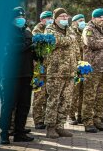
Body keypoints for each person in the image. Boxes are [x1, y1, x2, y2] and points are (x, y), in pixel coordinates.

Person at [0, 7, 35, 144]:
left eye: (22, 16)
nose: (20, 19)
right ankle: (5, 133)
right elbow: (12, 49)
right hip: (11, 75)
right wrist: (30, 44)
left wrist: (40, 50)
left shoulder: (27, 32)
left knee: (24, 105)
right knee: (8, 105)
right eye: (17, 17)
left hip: (26, 73)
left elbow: (32, 52)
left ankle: (19, 132)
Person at [44, 8, 76, 139]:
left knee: (66, 100)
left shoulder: (69, 29)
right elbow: (56, 41)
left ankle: (60, 126)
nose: (64, 18)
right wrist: (70, 38)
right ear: (55, 18)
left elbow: (73, 45)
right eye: (61, 16)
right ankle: (50, 127)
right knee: (53, 100)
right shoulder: (49, 29)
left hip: (70, 71)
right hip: (56, 71)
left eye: (66, 16)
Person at [81, 8, 103, 133]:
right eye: (100, 17)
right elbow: (91, 43)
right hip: (92, 68)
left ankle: (97, 119)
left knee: (101, 96)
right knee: (90, 96)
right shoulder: (88, 29)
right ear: (94, 18)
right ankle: (88, 122)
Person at [32, 11, 53, 130]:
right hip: (38, 69)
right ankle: (38, 120)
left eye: (51, 18)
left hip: (49, 69)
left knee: (47, 95)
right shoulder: (36, 31)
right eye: (48, 18)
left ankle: (45, 118)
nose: (50, 20)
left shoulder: (50, 30)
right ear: (42, 20)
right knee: (39, 95)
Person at [69, 14, 86, 125]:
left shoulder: (84, 32)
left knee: (83, 92)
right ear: (74, 22)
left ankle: (80, 115)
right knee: (74, 93)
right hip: (74, 66)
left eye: (84, 20)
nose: (82, 22)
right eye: (80, 20)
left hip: (85, 66)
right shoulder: (71, 33)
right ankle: (71, 115)